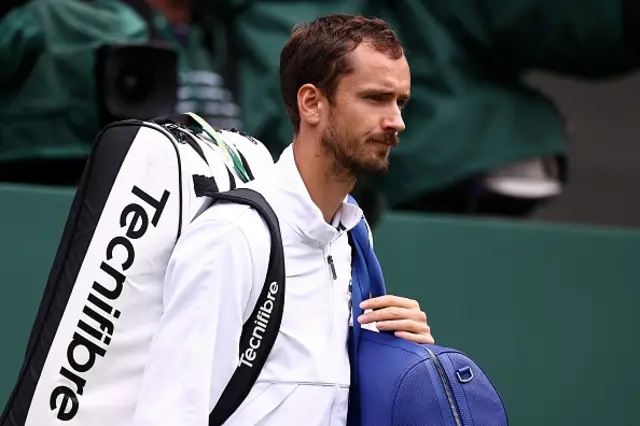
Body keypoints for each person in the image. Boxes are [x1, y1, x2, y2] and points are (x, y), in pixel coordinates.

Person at [131, 14, 433, 426]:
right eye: (376, 98)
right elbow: (169, 415)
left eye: (400, 102)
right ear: (312, 103)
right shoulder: (232, 235)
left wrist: (403, 357)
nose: (396, 121)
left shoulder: (352, 238)